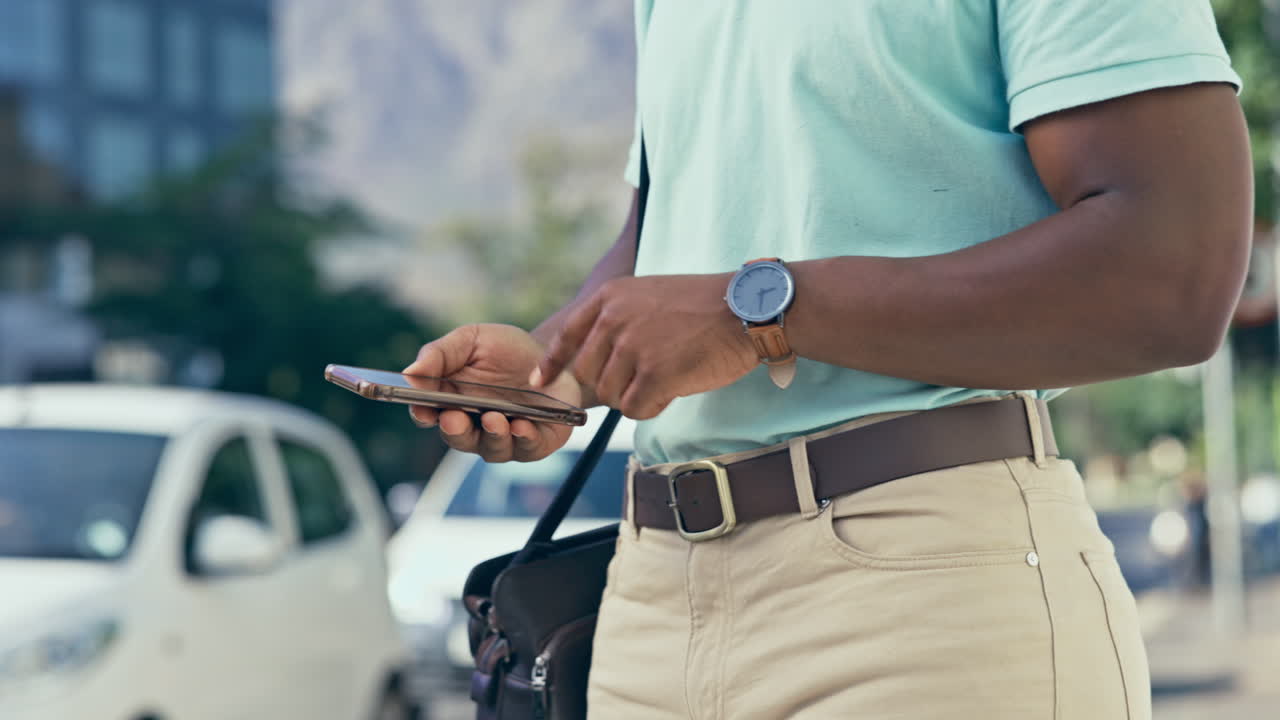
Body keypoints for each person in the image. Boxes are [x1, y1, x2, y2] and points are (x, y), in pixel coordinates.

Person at [404, 2, 1251, 718]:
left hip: (924, 588)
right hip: (647, 608)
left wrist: (754, 314)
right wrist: (554, 368)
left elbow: (1174, 270)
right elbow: (664, 240)